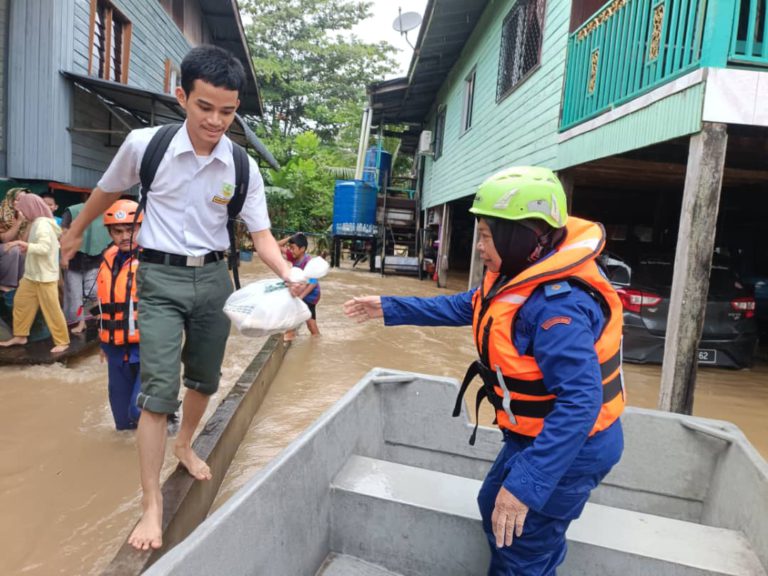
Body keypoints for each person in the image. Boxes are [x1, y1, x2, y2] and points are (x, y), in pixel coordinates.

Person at [60, 44, 300, 552]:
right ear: (182, 97)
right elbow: (106, 190)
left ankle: (186, 444)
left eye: (228, 112)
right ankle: (152, 505)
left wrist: (287, 273)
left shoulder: (242, 166)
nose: (216, 121)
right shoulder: (146, 146)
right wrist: (77, 229)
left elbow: (261, 237)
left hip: (215, 279)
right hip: (160, 278)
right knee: (158, 390)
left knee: (205, 379)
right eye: (205, 107)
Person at [343, 166, 625, 575]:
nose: (478, 247)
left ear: (522, 237)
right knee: (493, 507)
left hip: (574, 448)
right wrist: (389, 307)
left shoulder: (557, 311)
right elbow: (466, 306)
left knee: (520, 548)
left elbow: (581, 404)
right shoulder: (517, 276)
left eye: (487, 236)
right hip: (532, 435)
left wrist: (525, 486)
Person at [96, 199, 144, 431]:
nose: (125, 236)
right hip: (115, 349)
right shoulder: (108, 259)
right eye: (118, 231)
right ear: (110, 232)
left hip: (148, 348)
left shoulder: (155, 259)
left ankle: (168, 419)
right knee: (123, 424)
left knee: (139, 410)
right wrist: (102, 341)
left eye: (131, 229)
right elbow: (105, 304)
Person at [0, 194, 69, 353]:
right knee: (21, 302)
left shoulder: (42, 225)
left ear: (30, 208)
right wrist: (27, 245)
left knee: (52, 310)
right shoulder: (37, 223)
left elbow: (44, 249)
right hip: (32, 275)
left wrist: (21, 243)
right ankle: (20, 336)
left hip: (44, 277)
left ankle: (62, 341)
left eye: (22, 208)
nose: (21, 212)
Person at [61, 202, 112, 333]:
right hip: (75, 259)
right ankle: (80, 322)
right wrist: (65, 257)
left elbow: (64, 235)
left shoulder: (104, 212)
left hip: (93, 259)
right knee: (77, 293)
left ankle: (100, 318)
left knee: (92, 291)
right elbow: (65, 234)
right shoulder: (73, 211)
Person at [286, 233, 321, 336]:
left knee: (311, 325)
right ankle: (290, 334)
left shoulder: (308, 262)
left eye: (293, 248)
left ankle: (316, 342)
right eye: (289, 248)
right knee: (293, 317)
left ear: (302, 249)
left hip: (310, 296)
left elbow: (314, 282)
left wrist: (301, 297)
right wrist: (289, 237)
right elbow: (277, 246)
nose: (290, 250)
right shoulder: (293, 257)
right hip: (300, 292)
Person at [0, 188, 28, 292]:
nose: (21, 203)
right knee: (13, 249)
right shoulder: (1, 213)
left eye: (24, 200)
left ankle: (22, 285)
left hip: (14, 246)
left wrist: (27, 222)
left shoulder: (27, 215)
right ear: (10, 200)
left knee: (23, 250)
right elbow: (5, 240)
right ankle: (6, 285)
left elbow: (23, 241)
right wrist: (19, 221)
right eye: (18, 199)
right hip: (4, 246)